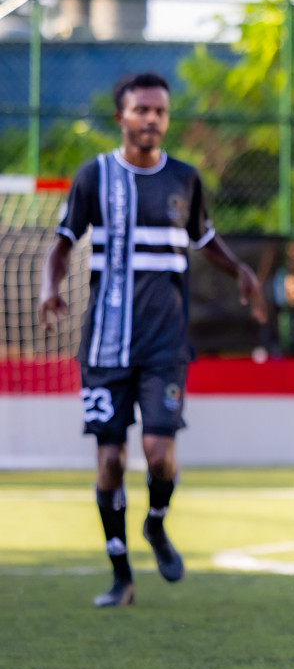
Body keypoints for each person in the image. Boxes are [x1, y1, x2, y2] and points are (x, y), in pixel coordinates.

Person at [36, 71, 266, 607]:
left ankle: (156, 524)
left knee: (159, 455)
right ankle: (121, 576)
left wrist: (241, 271)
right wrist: (49, 288)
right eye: (141, 110)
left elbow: (205, 237)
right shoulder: (94, 176)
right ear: (121, 117)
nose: (152, 119)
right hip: (104, 345)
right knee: (110, 461)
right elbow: (62, 243)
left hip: (165, 345)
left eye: (160, 111)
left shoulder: (184, 178)